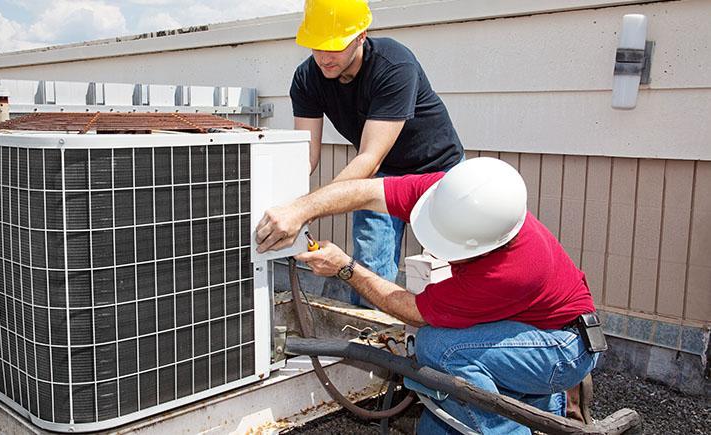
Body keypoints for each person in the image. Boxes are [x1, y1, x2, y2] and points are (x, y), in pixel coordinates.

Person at [255, 158, 600, 434]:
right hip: (530, 326)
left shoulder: (509, 271)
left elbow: (414, 311)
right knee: (437, 426)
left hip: (563, 349)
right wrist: (300, 209)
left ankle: (515, 426)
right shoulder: (451, 195)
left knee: (438, 348)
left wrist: (346, 267)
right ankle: (544, 410)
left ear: (485, 247)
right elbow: (363, 191)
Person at [291, 0, 464, 306]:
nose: (324, 57)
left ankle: (441, 343)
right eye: (316, 46)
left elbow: (370, 157)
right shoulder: (307, 78)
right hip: (383, 175)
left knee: (447, 270)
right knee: (369, 269)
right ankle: (372, 344)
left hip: (438, 172)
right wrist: (285, 201)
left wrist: (307, 208)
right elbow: (306, 155)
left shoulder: (394, 65)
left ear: (361, 35)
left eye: (334, 46)